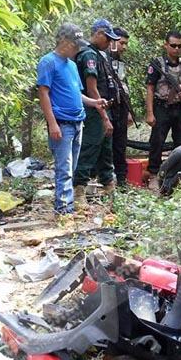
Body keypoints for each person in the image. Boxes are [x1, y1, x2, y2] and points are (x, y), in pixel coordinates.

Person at [36, 23, 110, 215]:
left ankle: (66, 206)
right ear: (64, 41)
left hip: (78, 122)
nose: (77, 48)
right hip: (62, 123)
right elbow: (43, 93)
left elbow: (77, 93)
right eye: (74, 44)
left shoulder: (72, 65)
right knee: (64, 169)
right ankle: (63, 210)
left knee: (72, 167)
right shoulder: (48, 62)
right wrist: (52, 123)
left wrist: (95, 102)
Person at [73, 19, 122, 205]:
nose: (109, 43)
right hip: (93, 110)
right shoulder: (88, 55)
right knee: (89, 148)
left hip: (102, 109)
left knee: (105, 149)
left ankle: (109, 187)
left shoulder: (100, 55)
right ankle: (79, 191)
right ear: (98, 34)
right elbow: (92, 89)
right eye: (107, 38)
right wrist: (104, 117)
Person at [145, 31, 181, 189]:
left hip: (180, 109)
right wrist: (150, 113)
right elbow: (150, 89)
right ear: (166, 45)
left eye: (180, 46)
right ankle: (153, 174)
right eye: (173, 45)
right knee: (157, 142)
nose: (176, 49)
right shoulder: (157, 64)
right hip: (162, 107)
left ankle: (177, 176)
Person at [108, 27, 135, 186]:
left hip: (121, 108)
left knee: (120, 145)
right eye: (121, 43)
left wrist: (129, 111)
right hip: (107, 107)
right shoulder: (102, 59)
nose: (124, 47)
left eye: (126, 44)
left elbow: (124, 87)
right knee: (106, 145)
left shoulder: (121, 63)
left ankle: (121, 180)